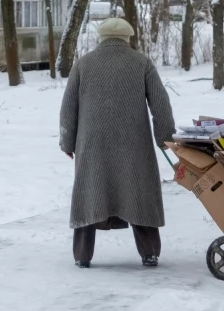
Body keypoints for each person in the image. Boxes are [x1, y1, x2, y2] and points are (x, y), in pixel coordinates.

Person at [59, 17, 175, 268]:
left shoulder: (83, 64)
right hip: (134, 145)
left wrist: (67, 142)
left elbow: (68, 108)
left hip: (92, 145)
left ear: (100, 38)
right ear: (127, 38)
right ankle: (149, 253)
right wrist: (165, 138)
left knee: (90, 193)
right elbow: (161, 104)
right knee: (139, 194)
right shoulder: (141, 63)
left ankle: (82, 256)